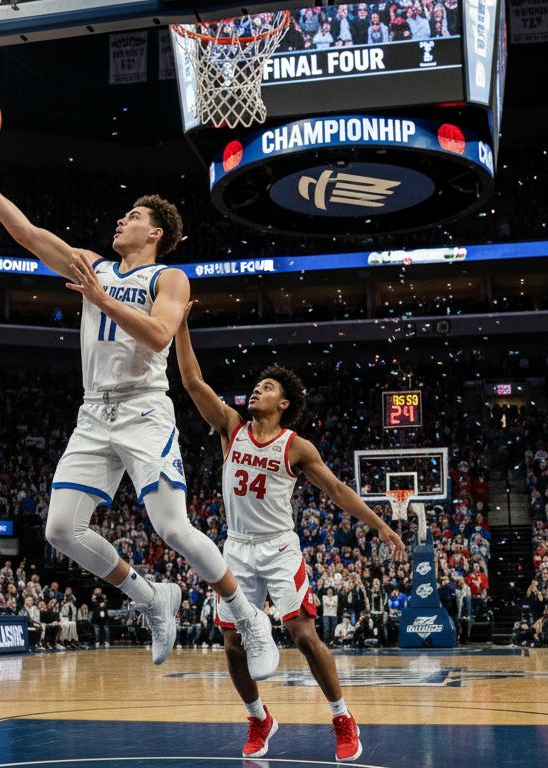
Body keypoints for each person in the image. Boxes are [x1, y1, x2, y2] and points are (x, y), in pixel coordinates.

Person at [0, 140, 274, 668]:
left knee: (171, 527)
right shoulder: (90, 264)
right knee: (59, 530)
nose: (121, 221)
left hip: (145, 407)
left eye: (133, 216)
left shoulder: (167, 277)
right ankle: (151, 599)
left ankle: (248, 615)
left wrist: (103, 300)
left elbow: (162, 334)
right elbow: (26, 234)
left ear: (155, 233)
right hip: (95, 410)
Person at [174, 305, 406, 762]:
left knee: (302, 634)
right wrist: (180, 325)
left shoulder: (296, 446)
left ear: (283, 404)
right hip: (237, 549)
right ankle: (259, 717)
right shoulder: (230, 427)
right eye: (257, 384)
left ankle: (342, 716)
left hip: (279, 547)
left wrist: (380, 525)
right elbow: (192, 383)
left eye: (268, 387)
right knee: (234, 643)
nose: (257, 389)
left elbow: (337, 489)